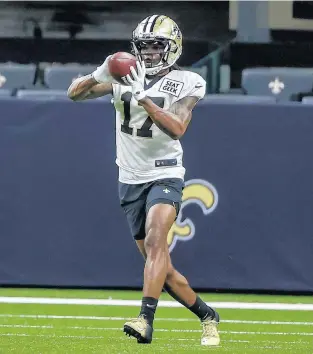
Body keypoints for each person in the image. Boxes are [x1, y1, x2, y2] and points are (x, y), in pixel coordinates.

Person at [68, 14, 220, 346]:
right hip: (130, 177)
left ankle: (144, 320)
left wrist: (145, 98)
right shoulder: (127, 75)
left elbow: (178, 127)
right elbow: (74, 94)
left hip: (165, 172)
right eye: (144, 47)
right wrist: (100, 72)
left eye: (156, 46)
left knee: (155, 242)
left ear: (172, 48)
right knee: (163, 271)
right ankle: (207, 314)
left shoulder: (188, 81)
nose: (149, 53)